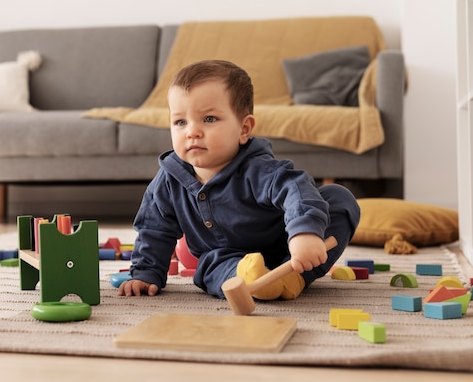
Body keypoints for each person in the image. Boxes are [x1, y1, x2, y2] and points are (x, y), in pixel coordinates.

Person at [118, 59, 360, 301]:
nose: (192, 131)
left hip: (288, 248)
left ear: (244, 129)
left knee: (338, 198)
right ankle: (252, 280)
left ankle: (294, 277)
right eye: (180, 122)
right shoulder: (168, 180)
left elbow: (295, 190)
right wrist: (146, 273)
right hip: (223, 259)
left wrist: (304, 232)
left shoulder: (258, 168)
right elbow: (153, 229)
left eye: (209, 119)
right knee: (211, 268)